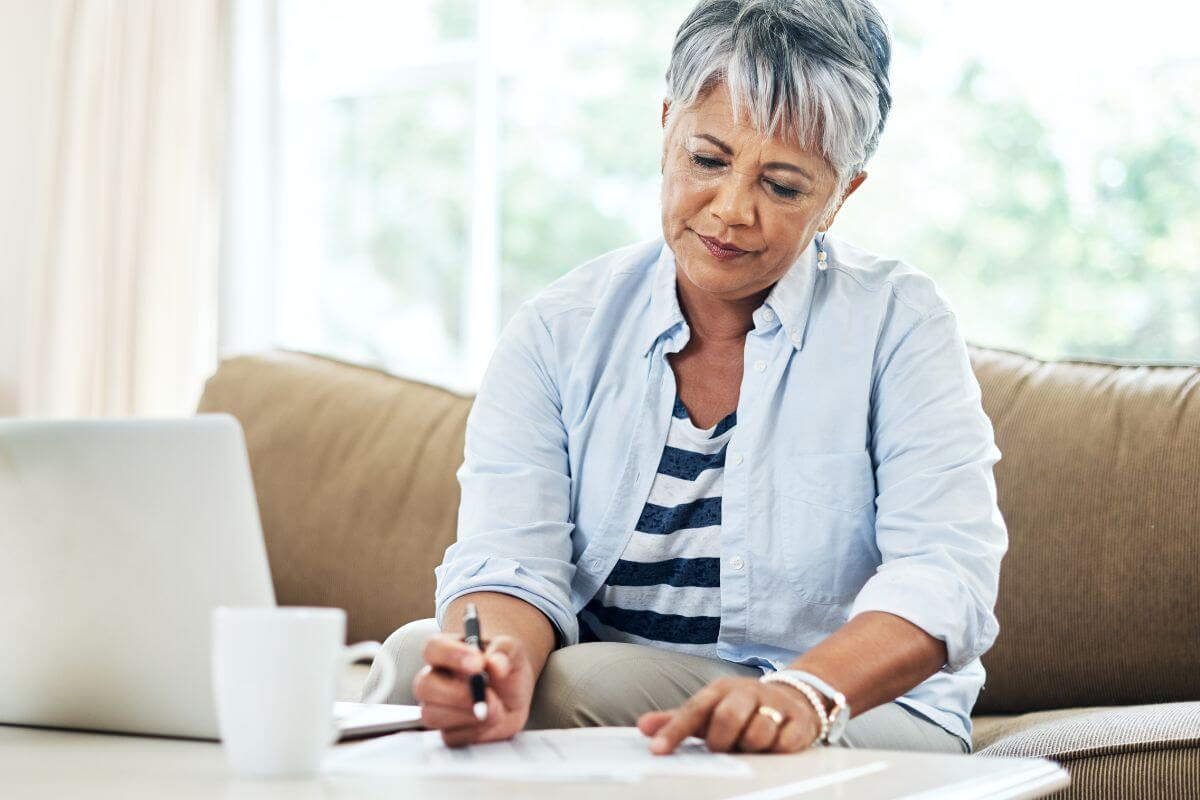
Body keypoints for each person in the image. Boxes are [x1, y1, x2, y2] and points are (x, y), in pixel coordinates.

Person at [364, 0, 1006, 756]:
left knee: (580, 685)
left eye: (784, 186)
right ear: (667, 125)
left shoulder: (900, 324)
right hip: (625, 688)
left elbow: (945, 574)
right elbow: (508, 560)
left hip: (852, 711)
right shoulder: (558, 330)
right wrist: (495, 667)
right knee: (415, 659)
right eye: (707, 160)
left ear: (841, 195)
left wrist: (800, 692)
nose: (731, 211)